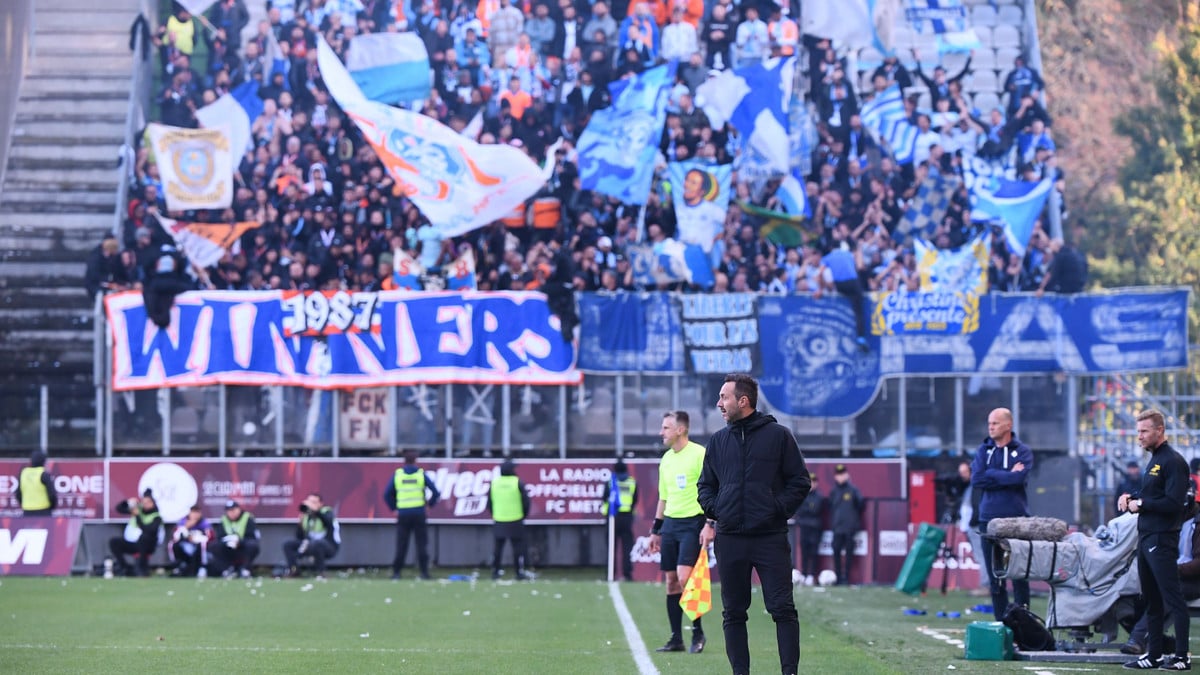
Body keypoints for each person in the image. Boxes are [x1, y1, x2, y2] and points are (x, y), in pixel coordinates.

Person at [698, 374, 811, 675]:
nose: (719, 403)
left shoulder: (779, 436)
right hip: (730, 538)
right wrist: (717, 509)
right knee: (733, 613)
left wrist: (776, 509)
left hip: (770, 538)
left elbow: (800, 482)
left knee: (782, 609)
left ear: (743, 401)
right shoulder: (718, 441)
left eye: (724, 397)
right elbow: (705, 486)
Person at [1117, 409, 1191, 671]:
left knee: (1173, 599)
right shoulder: (1155, 460)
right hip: (1147, 536)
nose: (1140, 436)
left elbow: (1173, 502)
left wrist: (1142, 503)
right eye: (1138, 431)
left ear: (1159, 430)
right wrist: (1131, 497)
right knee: (1151, 600)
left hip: (1162, 538)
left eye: (1144, 431)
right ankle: (1155, 655)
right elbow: (1151, 492)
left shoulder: (1173, 461)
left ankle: (1182, 656)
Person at [647, 410, 714, 654]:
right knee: (671, 582)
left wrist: (710, 522)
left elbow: (712, 490)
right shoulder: (666, 459)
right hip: (671, 525)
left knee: (686, 577)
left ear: (680, 430)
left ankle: (698, 631)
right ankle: (676, 638)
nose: (661, 432)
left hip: (693, 523)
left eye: (665, 428)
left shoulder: (699, 454)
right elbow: (663, 498)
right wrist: (656, 530)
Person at [970, 407, 1033, 621]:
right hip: (988, 520)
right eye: (989, 423)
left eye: (995, 423)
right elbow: (977, 479)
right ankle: (1002, 625)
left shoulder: (1022, 451)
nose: (990, 427)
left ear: (1008, 425)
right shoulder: (983, 451)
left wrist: (993, 476)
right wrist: (1006, 475)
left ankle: (1023, 626)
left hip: (1016, 520)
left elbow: (1019, 479)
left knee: (1019, 576)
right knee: (995, 578)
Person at [1121, 510, 1200, 655]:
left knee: (1166, 592)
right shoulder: (1173, 521)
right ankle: (1163, 643)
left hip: (1192, 580)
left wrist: (1173, 569)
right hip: (1173, 573)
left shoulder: (1195, 524)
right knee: (1135, 595)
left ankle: (1138, 638)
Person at [383, 450, 441, 580]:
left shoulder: (398, 475)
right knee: (421, 544)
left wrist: (394, 509)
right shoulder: (421, 475)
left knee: (401, 545)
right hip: (419, 513)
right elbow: (436, 493)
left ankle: (396, 573)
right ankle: (424, 573)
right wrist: (429, 505)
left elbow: (386, 494)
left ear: (404, 461)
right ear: (416, 461)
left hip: (403, 514)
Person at [488, 458, 531, 580]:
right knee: (518, 548)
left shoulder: (495, 483)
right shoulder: (517, 482)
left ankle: (495, 572)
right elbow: (526, 502)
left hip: (499, 518)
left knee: (497, 548)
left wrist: (495, 514)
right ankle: (518, 573)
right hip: (515, 519)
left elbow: (489, 503)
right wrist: (523, 514)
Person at [282, 493, 340, 579]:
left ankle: (322, 572)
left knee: (318, 543)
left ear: (320, 504)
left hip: (329, 546)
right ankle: (294, 570)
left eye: (313, 502)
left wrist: (316, 511)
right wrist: (300, 524)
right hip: (310, 544)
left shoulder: (327, 512)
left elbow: (328, 523)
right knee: (288, 544)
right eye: (309, 502)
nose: (310, 505)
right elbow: (299, 537)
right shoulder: (307, 516)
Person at [108, 489, 164, 577]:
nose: (145, 504)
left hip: (147, 545)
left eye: (148, 502)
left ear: (153, 503)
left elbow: (149, 531)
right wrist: (128, 502)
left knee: (144, 538)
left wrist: (137, 516)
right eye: (143, 502)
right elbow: (119, 509)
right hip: (133, 542)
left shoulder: (156, 517)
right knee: (114, 542)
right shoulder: (138, 509)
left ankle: (141, 569)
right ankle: (124, 567)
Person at [601, 458, 638, 581]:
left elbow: (604, 498)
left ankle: (611, 574)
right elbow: (635, 500)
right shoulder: (632, 482)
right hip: (626, 517)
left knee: (611, 547)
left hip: (613, 517)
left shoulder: (611, 482)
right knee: (627, 547)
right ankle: (627, 574)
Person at [828, 464, 865, 586]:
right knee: (836, 552)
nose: (841, 477)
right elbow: (831, 507)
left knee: (849, 553)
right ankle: (838, 577)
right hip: (837, 527)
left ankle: (846, 578)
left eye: (843, 474)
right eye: (838, 475)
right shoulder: (834, 491)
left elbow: (860, 504)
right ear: (835, 476)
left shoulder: (853, 490)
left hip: (850, 527)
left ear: (847, 475)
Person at [211, 500, 261, 579]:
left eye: (233, 510)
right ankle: (227, 569)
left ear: (239, 509)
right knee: (214, 546)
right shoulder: (224, 520)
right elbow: (220, 536)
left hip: (243, 546)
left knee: (253, 545)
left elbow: (253, 536)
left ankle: (245, 569)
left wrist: (239, 542)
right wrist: (228, 542)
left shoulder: (247, 518)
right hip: (228, 547)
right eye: (229, 511)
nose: (231, 513)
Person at [793, 472, 826, 586]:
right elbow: (799, 510)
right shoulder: (802, 495)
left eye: (813, 482)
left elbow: (815, 510)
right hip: (804, 527)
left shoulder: (819, 496)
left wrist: (806, 510)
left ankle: (811, 575)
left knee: (813, 552)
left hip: (815, 528)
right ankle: (804, 574)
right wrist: (807, 510)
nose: (811, 484)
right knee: (804, 552)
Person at [169, 505, 212, 577]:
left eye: (197, 512)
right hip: (186, 546)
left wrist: (195, 538)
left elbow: (210, 537)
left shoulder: (204, 523)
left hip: (199, 549)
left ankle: (202, 568)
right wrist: (186, 527)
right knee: (172, 544)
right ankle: (177, 566)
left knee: (202, 544)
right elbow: (175, 536)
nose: (195, 515)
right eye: (193, 512)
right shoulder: (183, 521)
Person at [15, 450, 57, 516]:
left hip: (27, 511)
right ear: (44, 462)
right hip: (44, 511)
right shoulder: (44, 474)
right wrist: (51, 508)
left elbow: (18, 494)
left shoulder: (23, 473)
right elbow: (52, 495)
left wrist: (24, 505)